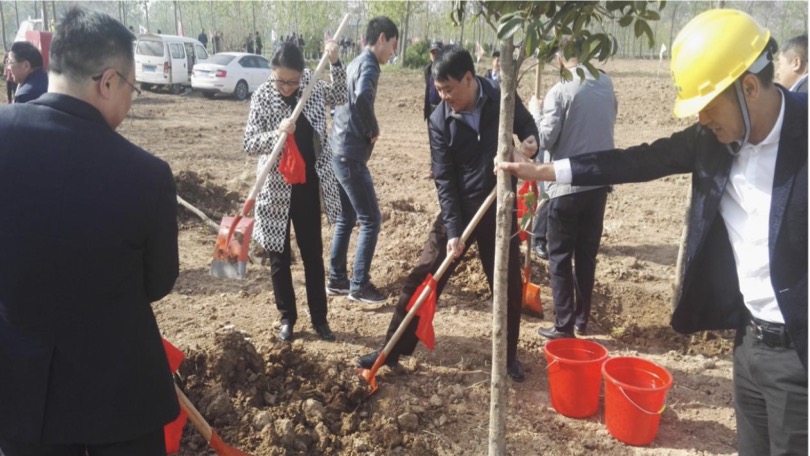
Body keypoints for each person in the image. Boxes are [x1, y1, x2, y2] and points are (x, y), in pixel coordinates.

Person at [499, 9, 806, 455]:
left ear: (749, 88)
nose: (702, 118)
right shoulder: (713, 140)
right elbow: (635, 161)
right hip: (749, 344)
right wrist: (547, 170)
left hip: (800, 355)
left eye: (707, 104)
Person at [0, 7, 180, 456]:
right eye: (133, 88)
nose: (130, 103)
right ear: (108, 82)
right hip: (117, 399)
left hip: (19, 392)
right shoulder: (147, 175)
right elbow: (157, 282)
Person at [356, 45, 539, 382]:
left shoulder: (500, 96)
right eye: (438, 90)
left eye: (448, 89)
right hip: (460, 209)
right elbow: (444, 177)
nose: (444, 97)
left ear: (469, 78)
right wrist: (453, 231)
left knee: (508, 285)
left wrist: (530, 142)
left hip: (498, 206)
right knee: (424, 276)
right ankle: (390, 350)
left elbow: (527, 125)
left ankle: (508, 356)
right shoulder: (440, 119)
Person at [243, 41, 346, 343]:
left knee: (312, 255)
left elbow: (341, 95)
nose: (286, 87)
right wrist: (276, 133)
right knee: (279, 257)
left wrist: (336, 63)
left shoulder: (311, 86)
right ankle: (287, 318)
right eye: (281, 81)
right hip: (275, 189)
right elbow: (249, 142)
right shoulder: (263, 96)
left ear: (302, 74)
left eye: (292, 81)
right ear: (272, 73)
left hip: (307, 186)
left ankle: (320, 320)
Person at [528, 37, 618, 339]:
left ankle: (563, 325)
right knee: (586, 256)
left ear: (560, 58)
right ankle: (581, 320)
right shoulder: (605, 84)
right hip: (598, 183)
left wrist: (535, 111)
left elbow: (545, 139)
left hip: (566, 186)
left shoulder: (560, 90)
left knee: (560, 257)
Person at [327, 16, 398, 304]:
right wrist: (372, 129)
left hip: (337, 149)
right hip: (351, 154)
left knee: (347, 216)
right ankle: (359, 285)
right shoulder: (368, 65)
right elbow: (361, 98)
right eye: (393, 45)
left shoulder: (354, 63)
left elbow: (340, 102)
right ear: (381, 39)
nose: (393, 52)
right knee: (371, 219)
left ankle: (337, 280)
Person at [423, 40, 443, 121]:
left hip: (443, 108)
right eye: (433, 53)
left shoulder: (447, 69)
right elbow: (428, 89)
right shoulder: (427, 70)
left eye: (437, 52)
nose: (435, 55)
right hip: (431, 108)